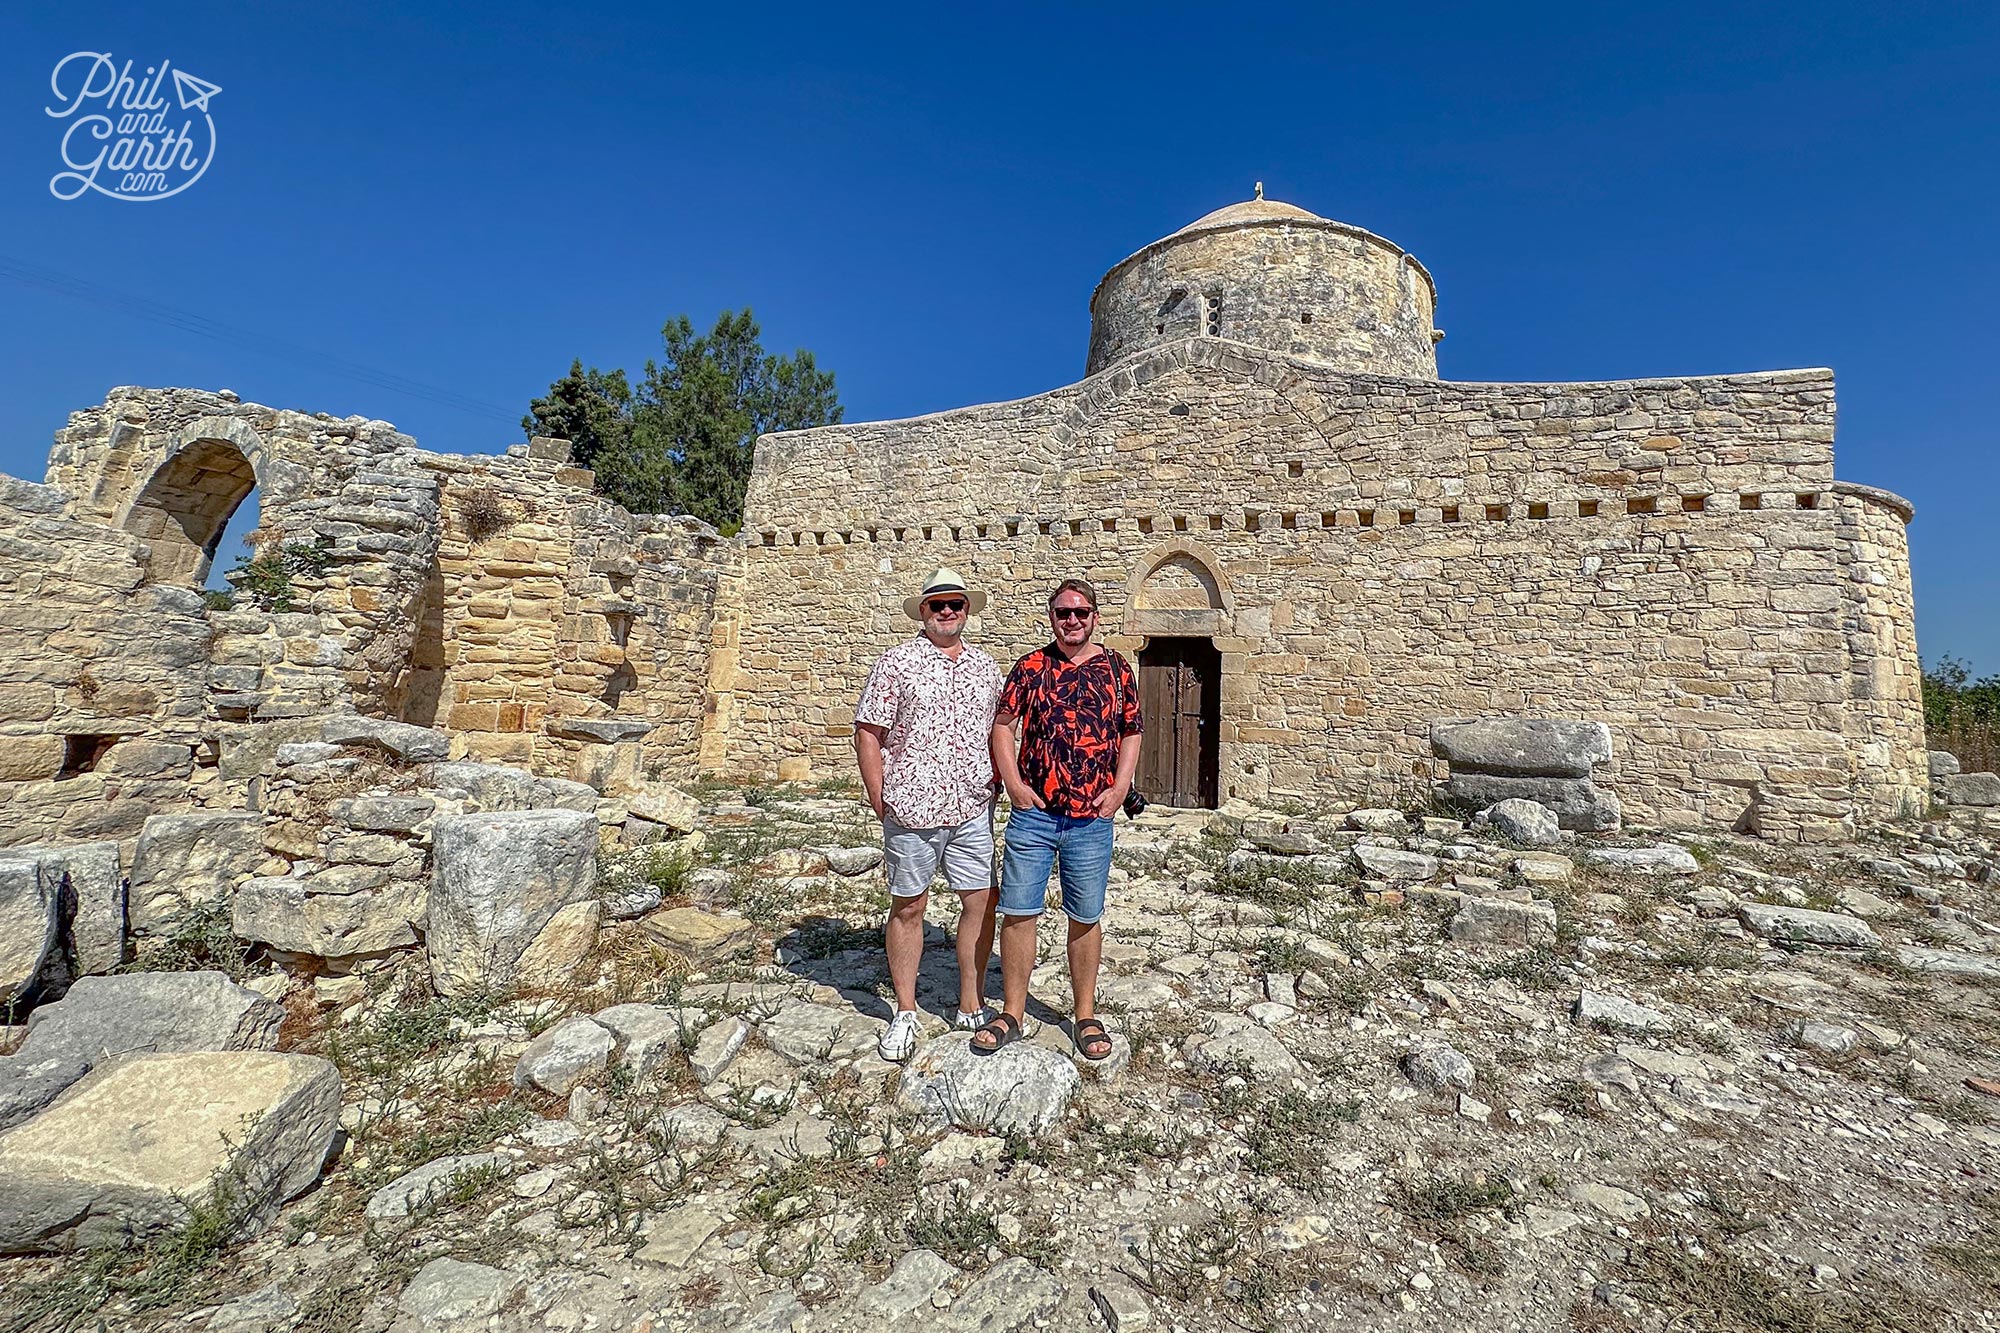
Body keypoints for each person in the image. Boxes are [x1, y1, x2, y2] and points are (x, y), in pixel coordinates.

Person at [977, 577, 1142, 1061]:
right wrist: (1013, 784)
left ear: (1095, 617)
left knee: (1085, 917)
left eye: (1081, 612)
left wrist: (1119, 788)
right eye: (1063, 613)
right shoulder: (1030, 667)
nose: (1072, 620)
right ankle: (1012, 1011)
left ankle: (1085, 1014)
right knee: (1020, 911)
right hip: (1035, 815)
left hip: (1091, 817)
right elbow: (1003, 726)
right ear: (1052, 617)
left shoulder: (1116, 669)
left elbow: (1131, 731)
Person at [854, 567, 1006, 1062]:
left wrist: (1000, 781)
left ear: (967, 611)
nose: (947, 611)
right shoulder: (896, 663)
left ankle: (969, 999)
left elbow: (998, 732)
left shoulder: (986, 668)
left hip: (971, 806)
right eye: (937, 604)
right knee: (909, 906)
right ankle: (904, 1010)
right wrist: (881, 797)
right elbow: (869, 732)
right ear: (923, 611)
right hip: (912, 807)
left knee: (980, 901)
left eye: (956, 604)